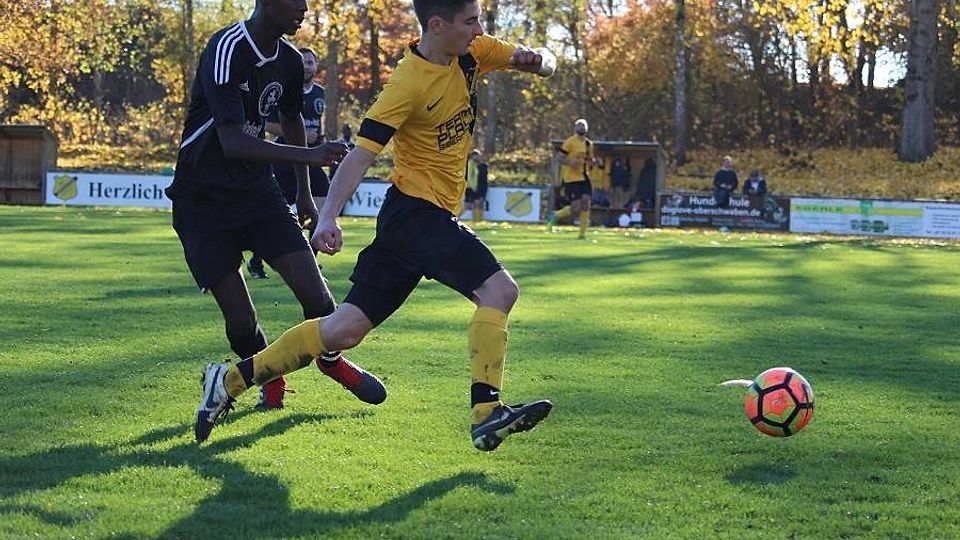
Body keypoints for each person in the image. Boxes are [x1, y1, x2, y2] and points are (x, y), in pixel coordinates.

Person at [194, 0, 557, 451]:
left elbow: (545, 62)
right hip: (418, 216)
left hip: (407, 224)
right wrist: (328, 214)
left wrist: (539, 60)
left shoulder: (473, 51)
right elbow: (360, 156)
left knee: (343, 330)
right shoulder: (406, 84)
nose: (479, 28)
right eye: (471, 21)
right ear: (437, 25)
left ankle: (229, 380)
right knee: (500, 292)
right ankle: (487, 413)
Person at [167, 0, 385, 415]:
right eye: (296, 0)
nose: (304, 8)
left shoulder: (288, 60)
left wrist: (303, 192)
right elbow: (233, 143)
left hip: (258, 195)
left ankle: (331, 361)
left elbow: (291, 121)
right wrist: (312, 156)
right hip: (202, 203)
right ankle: (272, 380)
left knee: (319, 299)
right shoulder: (227, 48)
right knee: (241, 322)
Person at [247, 46, 327, 281]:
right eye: (303, 62)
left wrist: (319, 139)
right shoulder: (282, 89)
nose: (306, 67)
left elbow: (317, 122)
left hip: (311, 157)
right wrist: (300, 135)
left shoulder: (319, 92)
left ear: (316, 66)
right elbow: (268, 124)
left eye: (310, 62)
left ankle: (310, 263)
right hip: (285, 156)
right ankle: (257, 259)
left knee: (321, 208)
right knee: (278, 214)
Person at [548, 118, 598, 238]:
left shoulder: (589, 144)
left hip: (584, 176)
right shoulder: (570, 142)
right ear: (575, 128)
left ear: (587, 128)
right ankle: (556, 215)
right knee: (576, 207)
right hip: (571, 178)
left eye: (583, 125)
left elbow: (589, 160)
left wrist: (594, 162)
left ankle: (582, 234)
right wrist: (570, 162)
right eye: (578, 125)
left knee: (586, 202)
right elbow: (559, 158)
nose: (581, 127)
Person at [464, 149, 488, 222]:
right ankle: (456, 218)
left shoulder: (475, 164)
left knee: (476, 203)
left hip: (473, 186)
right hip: (471, 187)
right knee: (471, 204)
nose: (478, 157)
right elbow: (469, 176)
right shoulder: (470, 163)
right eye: (476, 156)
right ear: (472, 156)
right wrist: (473, 186)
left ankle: (477, 220)